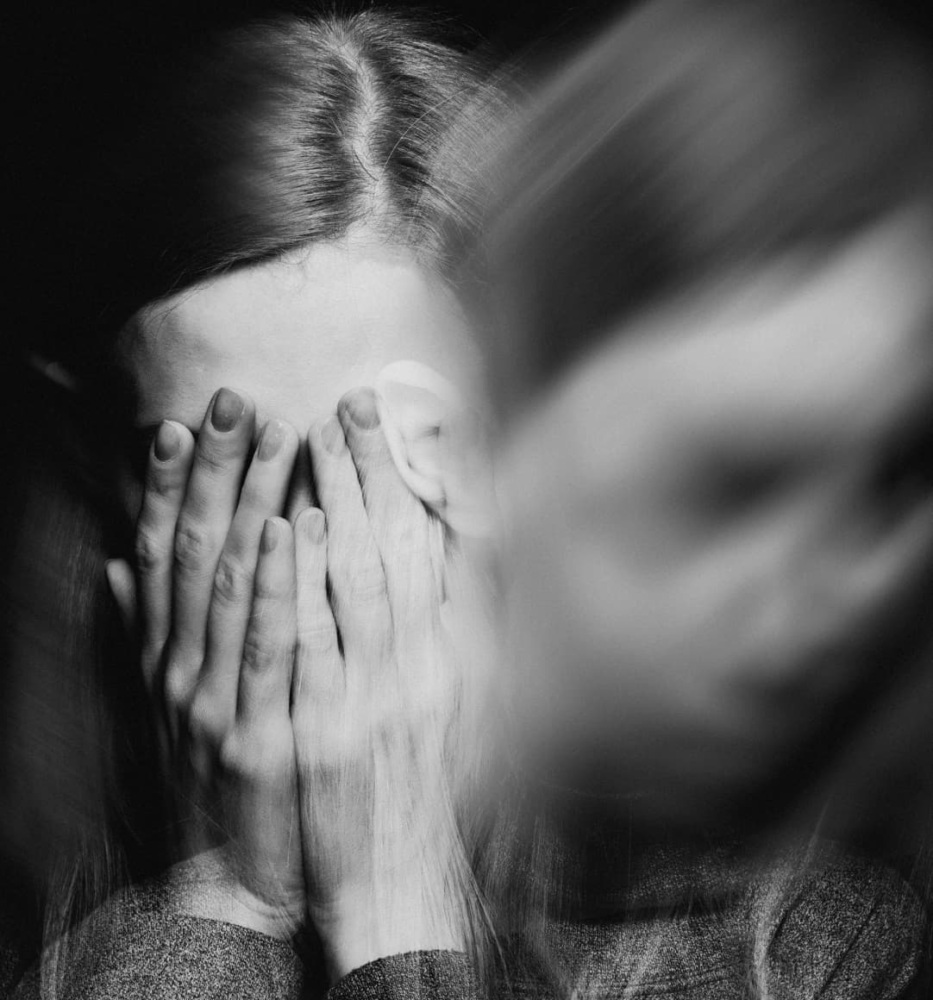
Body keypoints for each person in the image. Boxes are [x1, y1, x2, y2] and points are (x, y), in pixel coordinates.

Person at [1, 8, 506, 997]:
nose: (314, 561)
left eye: (388, 466)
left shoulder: (794, 943)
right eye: (217, 477)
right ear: (113, 492)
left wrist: (395, 909)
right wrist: (223, 891)